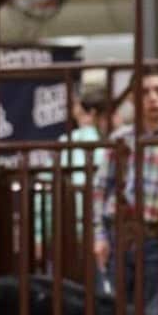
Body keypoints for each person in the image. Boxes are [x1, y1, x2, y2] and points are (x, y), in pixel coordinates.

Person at [92, 66, 158, 315]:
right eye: (144, 92)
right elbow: (100, 188)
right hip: (119, 233)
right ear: (133, 99)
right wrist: (98, 234)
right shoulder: (121, 139)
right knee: (113, 314)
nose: (152, 97)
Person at [33, 87, 110, 257]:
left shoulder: (65, 144)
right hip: (101, 235)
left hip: (64, 231)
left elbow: (42, 194)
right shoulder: (108, 147)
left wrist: (38, 235)